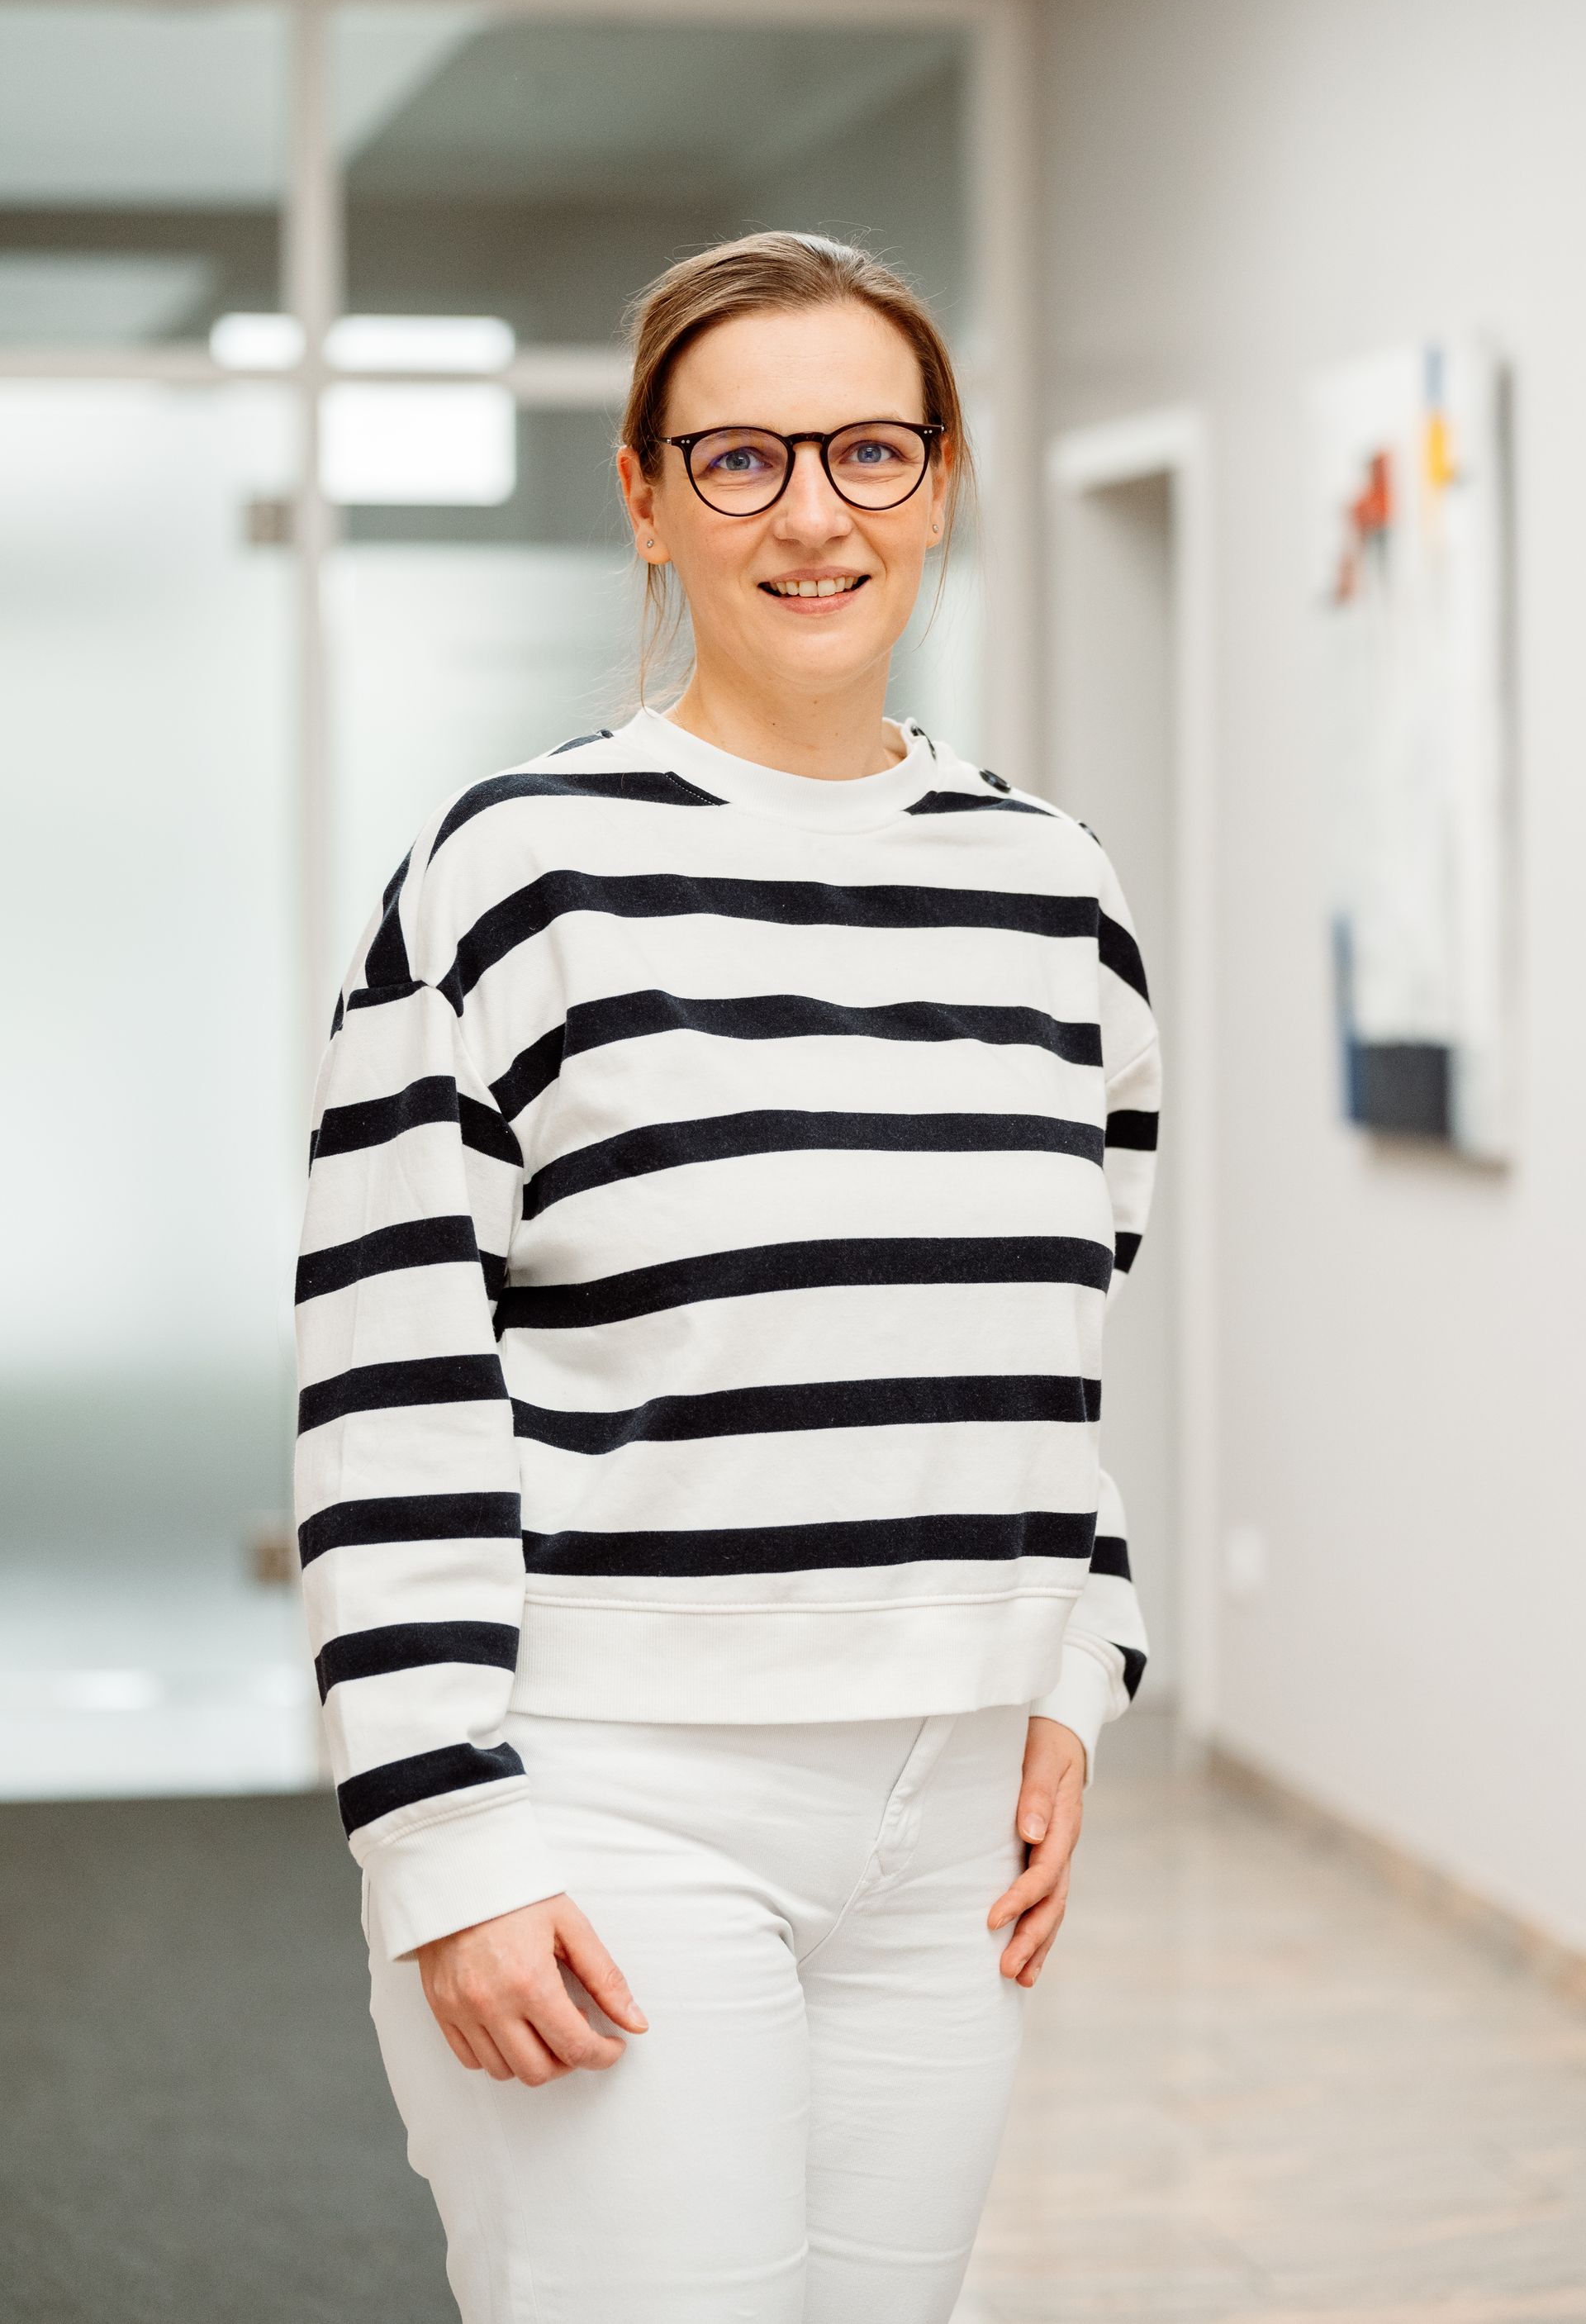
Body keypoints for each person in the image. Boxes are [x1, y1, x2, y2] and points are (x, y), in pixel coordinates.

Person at [292, 230, 1159, 2324]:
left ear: (940, 480)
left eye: (871, 451)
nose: (814, 514)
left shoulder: (1055, 894)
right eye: (743, 458)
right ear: (647, 497)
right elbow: (390, 1389)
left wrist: (1071, 1661)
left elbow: (1057, 1345)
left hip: (952, 1819)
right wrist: (442, 1836)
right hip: (614, 1794)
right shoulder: (511, 876)